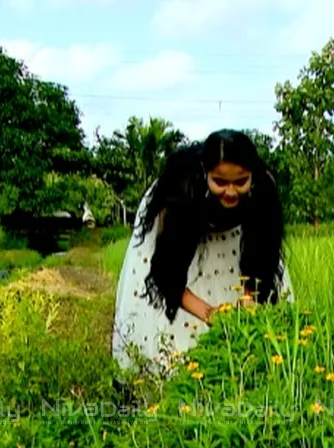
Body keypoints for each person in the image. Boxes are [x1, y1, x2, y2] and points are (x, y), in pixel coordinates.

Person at [112, 130, 293, 375]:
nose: (230, 191)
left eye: (240, 182)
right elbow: (168, 275)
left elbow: (261, 255)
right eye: (220, 182)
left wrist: (248, 302)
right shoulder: (181, 191)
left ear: (251, 177)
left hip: (234, 230)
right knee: (176, 341)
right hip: (180, 232)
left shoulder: (264, 191)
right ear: (206, 174)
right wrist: (211, 315)